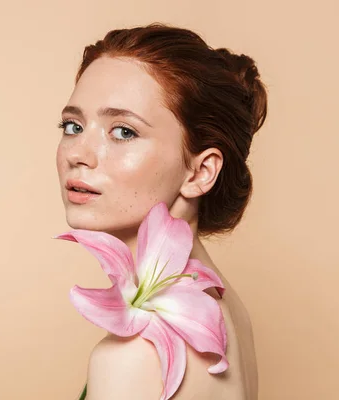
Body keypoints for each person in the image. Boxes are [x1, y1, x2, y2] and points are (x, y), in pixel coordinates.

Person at [56, 22, 268, 400]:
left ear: (201, 171)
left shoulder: (131, 358)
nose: (77, 153)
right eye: (72, 125)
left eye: (123, 131)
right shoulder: (228, 311)